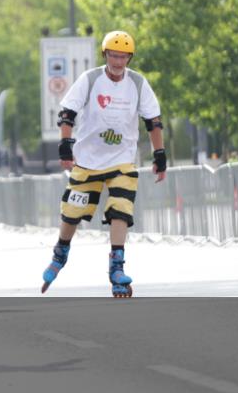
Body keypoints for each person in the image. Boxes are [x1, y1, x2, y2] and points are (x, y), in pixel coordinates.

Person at [41, 30, 165, 298]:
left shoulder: (138, 83)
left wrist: (160, 155)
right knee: (72, 212)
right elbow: (67, 114)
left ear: (129, 58)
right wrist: (65, 145)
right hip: (88, 160)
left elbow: (153, 121)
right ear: (105, 54)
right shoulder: (90, 79)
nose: (118, 62)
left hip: (122, 161)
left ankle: (117, 268)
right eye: (113, 56)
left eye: (123, 57)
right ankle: (60, 252)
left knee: (121, 210)